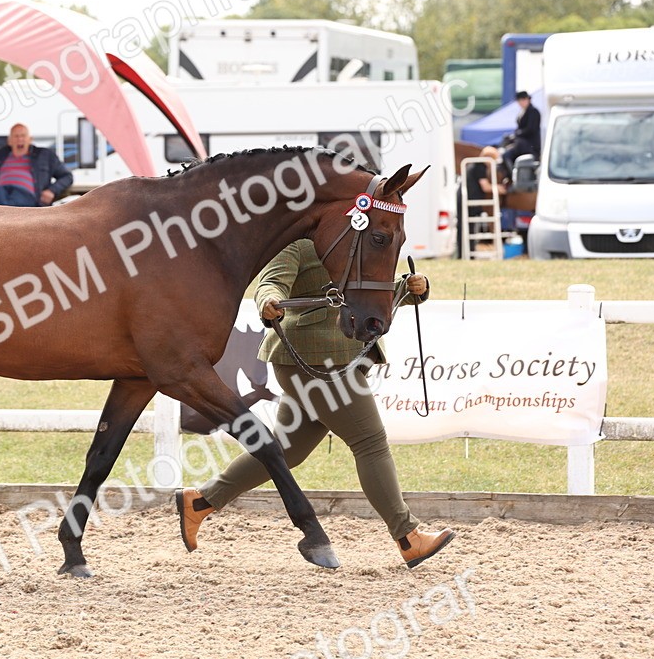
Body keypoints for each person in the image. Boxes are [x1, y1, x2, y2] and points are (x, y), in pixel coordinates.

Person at [175, 238, 456, 569]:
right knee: (370, 443)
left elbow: (360, 289)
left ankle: (201, 502)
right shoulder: (297, 242)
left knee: (286, 451)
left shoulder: (353, 238)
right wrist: (267, 300)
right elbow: (270, 281)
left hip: (328, 360)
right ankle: (408, 538)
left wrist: (409, 288)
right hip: (314, 362)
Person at [0, 123, 73, 206]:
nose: (20, 139)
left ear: (30, 139)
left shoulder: (45, 155)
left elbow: (67, 176)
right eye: (16, 136)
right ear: (9, 141)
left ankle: (7, 220)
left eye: (23, 136)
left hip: (26, 194)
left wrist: (52, 190)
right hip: (0, 191)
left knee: (8, 205)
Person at [502, 90, 541, 168]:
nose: (520, 103)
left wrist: (517, 133)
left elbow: (531, 129)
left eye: (522, 100)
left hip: (529, 145)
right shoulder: (523, 111)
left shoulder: (533, 112)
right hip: (521, 143)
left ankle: (513, 175)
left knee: (506, 156)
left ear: (527, 99)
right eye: (519, 101)